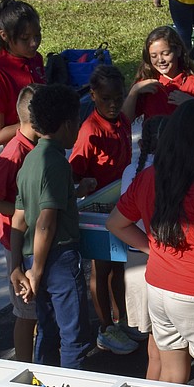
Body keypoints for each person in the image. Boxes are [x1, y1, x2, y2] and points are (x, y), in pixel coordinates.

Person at [107, 100, 194, 387]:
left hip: (158, 289)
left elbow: (116, 223)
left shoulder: (147, 177)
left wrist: (151, 249)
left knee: (171, 378)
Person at [9, 84, 91, 370]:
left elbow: (19, 219)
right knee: (74, 336)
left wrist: (17, 266)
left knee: (46, 329)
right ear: (68, 124)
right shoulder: (56, 162)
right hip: (57, 260)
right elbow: (46, 222)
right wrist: (37, 271)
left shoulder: (30, 159)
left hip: (33, 257)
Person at [69, 65, 138, 356]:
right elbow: (73, 171)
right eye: (106, 98)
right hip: (96, 208)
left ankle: (121, 319)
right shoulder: (90, 131)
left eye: (118, 97)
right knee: (101, 266)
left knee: (118, 265)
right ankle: (105, 327)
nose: (112, 104)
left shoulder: (121, 120)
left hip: (118, 203)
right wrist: (83, 184)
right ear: (94, 95)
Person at [0, 84, 40, 361]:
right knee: (26, 312)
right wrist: (19, 212)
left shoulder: (35, 147)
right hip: (16, 241)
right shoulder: (14, 153)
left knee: (37, 309)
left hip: (31, 239)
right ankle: (24, 368)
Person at [120, 115, 167, 381]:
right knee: (168, 345)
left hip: (136, 261)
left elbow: (120, 220)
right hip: (159, 265)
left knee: (154, 342)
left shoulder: (131, 171)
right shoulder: (167, 173)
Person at [0, 0, 45, 153]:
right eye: (25, 38)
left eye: (37, 36)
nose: (34, 43)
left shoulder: (35, 59)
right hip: (13, 151)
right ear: (4, 36)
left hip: (43, 144)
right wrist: (35, 124)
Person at [122, 26, 194, 122]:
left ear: (178, 51)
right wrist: (134, 91)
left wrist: (192, 104)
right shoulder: (147, 85)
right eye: (154, 56)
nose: (160, 60)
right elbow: (124, 121)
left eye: (166, 53)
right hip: (155, 136)